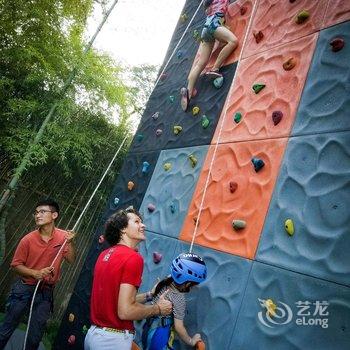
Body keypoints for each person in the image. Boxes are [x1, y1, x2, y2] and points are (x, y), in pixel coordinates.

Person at [84, 208, 173, 350]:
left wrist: (150, 295)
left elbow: (116, 301)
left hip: (93, 336)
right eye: (137, 222)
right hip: (112, 342)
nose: (143, 226)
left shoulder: (104, 255)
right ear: (123, 229)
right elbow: (125, 311)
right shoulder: (133, 258)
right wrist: (158, 309)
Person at [0, 198, 76, 350]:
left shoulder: (63, 237)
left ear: (54, 215)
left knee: (35, 336)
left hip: (45, 293)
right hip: (24, 289)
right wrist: (35, 273)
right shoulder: (27, 239)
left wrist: (70, 242)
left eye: (42, 212)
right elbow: (15, 265)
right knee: (6, 329)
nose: (37, 215)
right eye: (36, 213)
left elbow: (71, 260)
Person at [180, 0, 238, 111]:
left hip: (206, 29)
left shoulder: (208, 5)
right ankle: (215, 68)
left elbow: (208, 9)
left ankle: (188, 91)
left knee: (201, 63)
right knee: (233, 41)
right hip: (214, 25)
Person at [141, 252, 207, 349]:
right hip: (159, 335)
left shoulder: (166, 281)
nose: (194, 286)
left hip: (148, 328)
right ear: (188, 284)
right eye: (194, 284)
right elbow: (179, 328)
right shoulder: (179, 298)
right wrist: (191, 341)